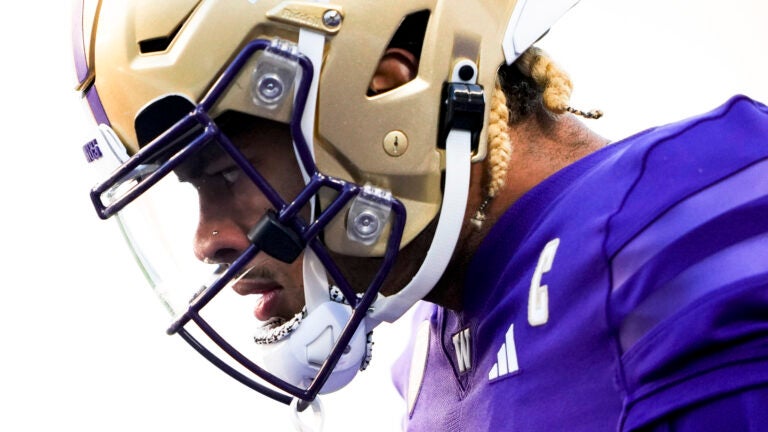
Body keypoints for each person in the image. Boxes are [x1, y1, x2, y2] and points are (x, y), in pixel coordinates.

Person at [72, 1, 768, 431]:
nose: (206, 240)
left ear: (387, 91)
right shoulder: (430, 359)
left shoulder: (686, 224)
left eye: (222, 171)